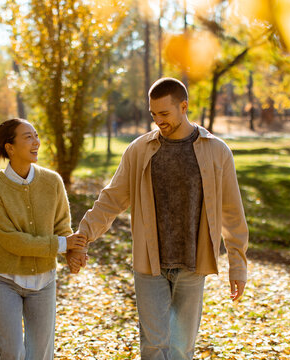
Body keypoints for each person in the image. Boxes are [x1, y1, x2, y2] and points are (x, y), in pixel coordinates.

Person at [66, 78, 249, 360]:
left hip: (192, 263)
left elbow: (232, 212)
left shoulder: (216, 151)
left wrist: (237, 265)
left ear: (184, 106)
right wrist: (82, 237)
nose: (158, 121)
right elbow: (111, 199)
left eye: (164, 114)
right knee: (153, 347)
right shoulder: (139, 150)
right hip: (149, 265)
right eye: (153, 114)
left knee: (181, 349)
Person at [0, 118, 86, 360]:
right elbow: (12, 241)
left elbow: (62, 226)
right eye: (28, 137)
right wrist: (62, 245)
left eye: (36, 136)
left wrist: (73, 253)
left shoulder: (52, 181)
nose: (36, 142)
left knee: (41, 353)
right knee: (11, 351)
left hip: (44, 281)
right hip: (4, 279)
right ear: (10, 147)